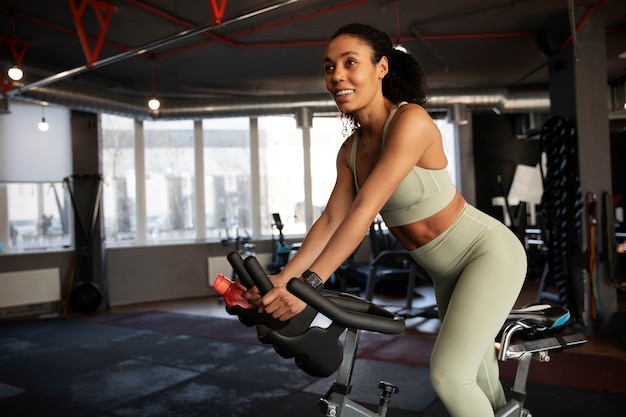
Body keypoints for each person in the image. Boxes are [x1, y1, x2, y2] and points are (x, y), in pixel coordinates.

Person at [242, 23, 527, 417]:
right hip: (445, 274)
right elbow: (330, 220)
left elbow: (363, 210)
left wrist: (306, 285)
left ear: (381, 68)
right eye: (329, 67)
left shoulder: (410, 121)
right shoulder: (351, 150)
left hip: (488, 254)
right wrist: (282, 279)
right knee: (478, 375)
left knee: (449, 375)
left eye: (350, 62)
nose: (336, 75)